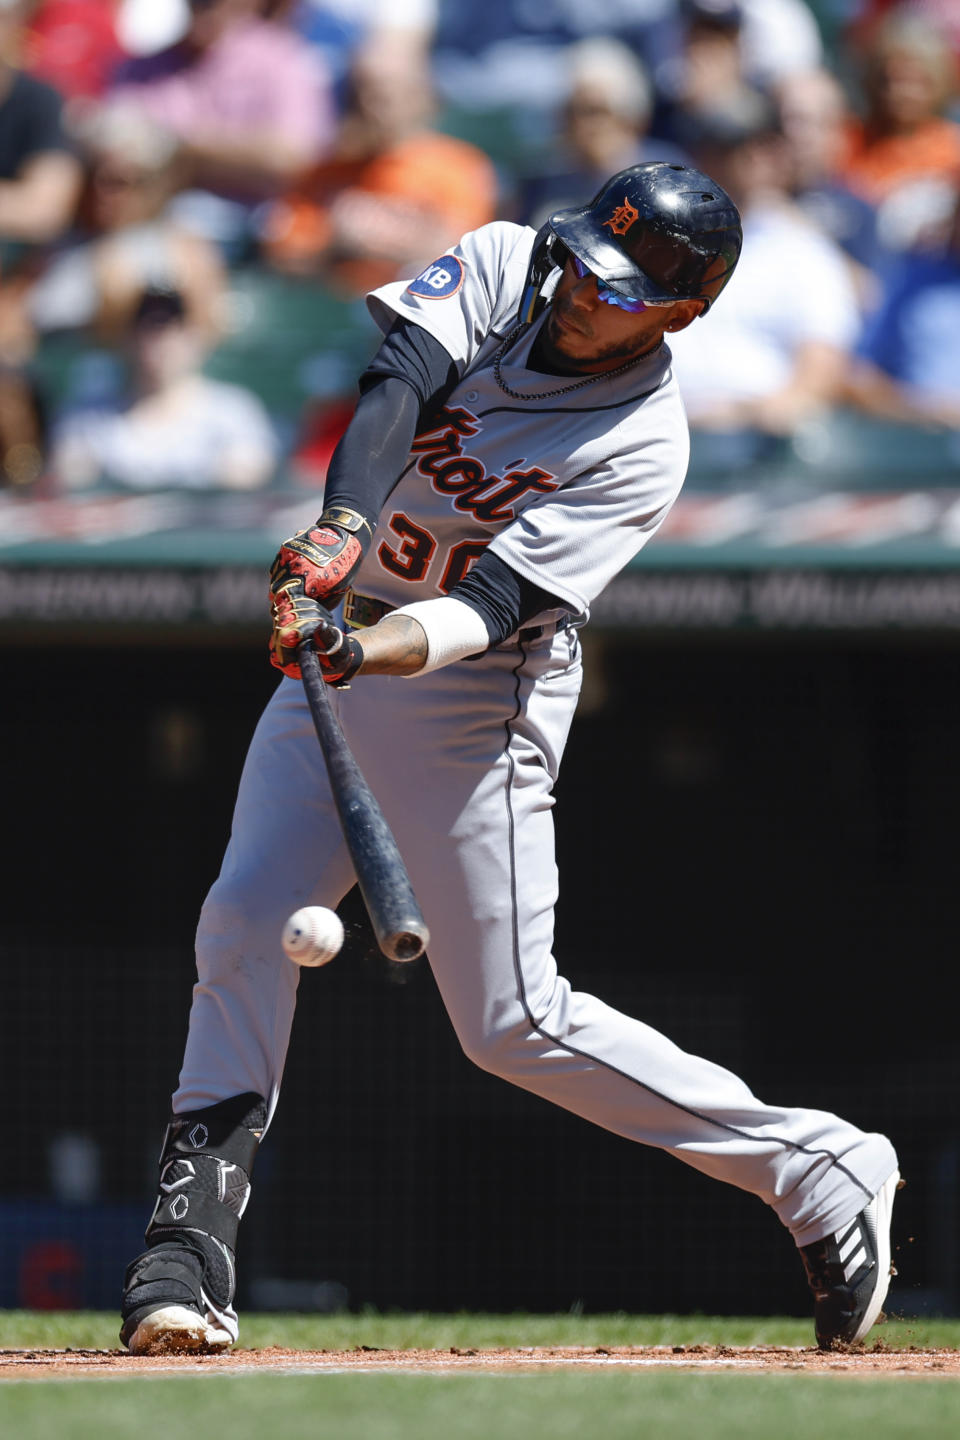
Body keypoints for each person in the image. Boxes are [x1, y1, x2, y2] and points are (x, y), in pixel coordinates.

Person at [117, 160, 899, 1357]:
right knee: (240, 924)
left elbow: (491, 604)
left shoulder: (644, 442)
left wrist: (359, 643)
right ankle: (189, 1247)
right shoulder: (502, 263)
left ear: (684, 312)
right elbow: (396, 386)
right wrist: (339, 536)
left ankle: (818, 1165)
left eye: (623, 288)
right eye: (588, 262)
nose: (586, 291)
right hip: (350, 635)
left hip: (475, 694)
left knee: (511, 1022)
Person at [665, 90, 861, 447]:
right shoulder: (663, 242)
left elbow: (823, 365)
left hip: (761, 445)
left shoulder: (803, 250)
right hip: (662, 431)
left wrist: (765, 412)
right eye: (723, 145)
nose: (745, 158)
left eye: (754, 144)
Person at [258, 30, 498, 297]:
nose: (369, 106)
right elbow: (282, 254)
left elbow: (470, 260)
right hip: (339, 306)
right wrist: (334, 242)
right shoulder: (326, 170)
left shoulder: (459, 166)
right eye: (359, 94)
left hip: (420, 309)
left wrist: (379, 239)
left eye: (383, 95)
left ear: (420, 96)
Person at [49, 280, 277, 489]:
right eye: (146, 326)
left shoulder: (233, 412)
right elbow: (73, 482)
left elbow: (246, 481)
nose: (158, 340)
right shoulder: (87, 420)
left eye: (170, 325)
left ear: (194, 337)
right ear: (127, 338)